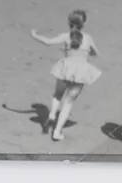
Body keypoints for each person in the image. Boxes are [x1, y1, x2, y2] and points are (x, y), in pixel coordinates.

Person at [30, 9, 101, 141]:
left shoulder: (66, 36)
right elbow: (96, 53)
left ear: (69, 22)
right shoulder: (88, 38)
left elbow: (48, 42)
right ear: (84, 23)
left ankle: (51, 114)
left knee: (58, 94)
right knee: (68, 103)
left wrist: (35, 35)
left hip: (65, 69)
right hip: (80, 73)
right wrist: (88, 52)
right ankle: (57, 132)